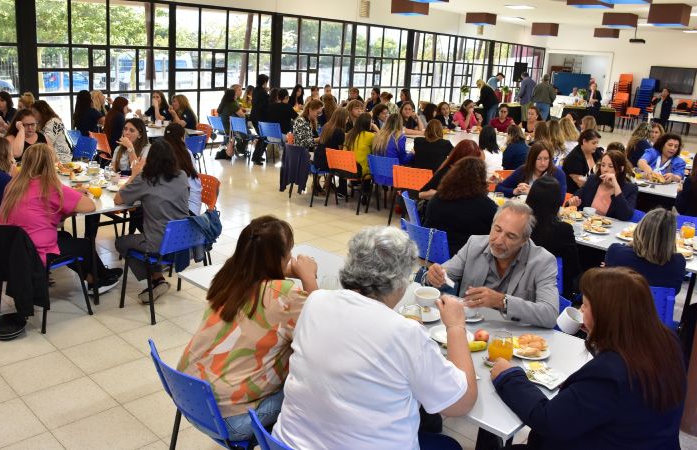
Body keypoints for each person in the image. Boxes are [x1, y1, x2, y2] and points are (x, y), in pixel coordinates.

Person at [273, 226, 476, 450]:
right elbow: (460, 404)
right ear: (400, 281)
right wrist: (456, 326)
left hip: (286, 444)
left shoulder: (315, 301)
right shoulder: (405, 333)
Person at [490, 267, 685, 450]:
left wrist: (508, 376)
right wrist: (597, 336)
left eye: (585, 305)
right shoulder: (667, 341)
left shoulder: (609, 373)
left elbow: (548, 421)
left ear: (605, 315)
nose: (581, 310)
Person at [179, 216, 318, 441]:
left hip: (188, 397)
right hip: (230, 421)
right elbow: (320, 324)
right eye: (289, 252)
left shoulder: (229, 275)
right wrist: (308, 277)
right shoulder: (283, 295)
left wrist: (281, 273)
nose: (292, 257)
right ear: (279, 258)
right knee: (307, 390)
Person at [0, 144, 121, 293]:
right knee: (84, 246)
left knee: (66, 237)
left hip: (11, 247)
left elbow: (42, 213)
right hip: (34, 251)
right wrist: (74, 196)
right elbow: (90, 206)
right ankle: (99, 281)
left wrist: (69, 199)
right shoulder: (48, 186)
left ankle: (95, 276)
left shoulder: (13, 184)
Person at [426, 201, 559, 328]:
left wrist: (502, 301)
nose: (499, 240)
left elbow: (550, 315)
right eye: (497, 229)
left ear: (524, 240)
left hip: (513, 339)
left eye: (510, 236)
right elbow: (444, 276)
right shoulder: (474, 245)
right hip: (467, 328)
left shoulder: (543, 261)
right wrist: (432, 277)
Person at [113, 140, 190, 301]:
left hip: (158, 243)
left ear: (150, 159)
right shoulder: (182, 176)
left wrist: (135, 174)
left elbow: (118, 199)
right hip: (181, 241)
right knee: (148, 228)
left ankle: (154, 279)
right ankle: (158, 278)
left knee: (121, 242)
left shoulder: (145, 179)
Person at [423, 157, 497, 256]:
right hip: (466, 258)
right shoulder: (486, 206)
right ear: (481, 179)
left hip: (433, 252)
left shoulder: (437, 198)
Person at [606, 209, 686, 294]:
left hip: (618, 305)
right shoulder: (678, 263)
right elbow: (675, 291)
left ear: (640, 228)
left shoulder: (616, 253)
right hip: (655, 307)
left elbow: (607, 280)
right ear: (671, 238)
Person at [525, 176, 580, 299]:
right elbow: (573, 269)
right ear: (557, 201)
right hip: (554, 289)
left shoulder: (522, 223)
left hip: (522, 283)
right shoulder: (563, 229)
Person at [567, 150, 637, 221]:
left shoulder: (630, 188)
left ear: (621, 169)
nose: (605, 169)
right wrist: (574, 202)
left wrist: (616, 187)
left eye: (611, 166)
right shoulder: (593, 180)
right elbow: (574, 199)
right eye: (603, 165)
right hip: (587, 225)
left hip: (611, 230)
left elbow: (625, 216)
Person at [496, 142, 568, 204]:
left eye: (546, 159)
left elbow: (560, 200)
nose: (543, 163)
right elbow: (499, 188)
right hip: (522, 212)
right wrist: (514, 191)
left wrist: (533, 192)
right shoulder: (522, 170)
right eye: (538, 159)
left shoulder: (558, 174)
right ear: (532, 159)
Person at [163, 123, 202, 216]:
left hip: (185, 210)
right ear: (182, 138)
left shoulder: (166, 154)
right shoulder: (186, 152)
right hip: (192, 206)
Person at [343, 112, 375, 201]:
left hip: (348, 168)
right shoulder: (371, 136)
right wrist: (376, 128)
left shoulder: (350, 134)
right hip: (362, 171)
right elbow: (379, 148)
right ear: (368, 124)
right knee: (370, 165)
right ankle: (365, 193)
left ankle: (355, 184)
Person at [563, 129, 602, 194]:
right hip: (576, 193)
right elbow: (580, 184)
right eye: (594, 143)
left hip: (592, 188)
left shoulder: (595, 152)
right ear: (584, 141)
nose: (596, 145)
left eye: (597, 143)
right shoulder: (574, 158)